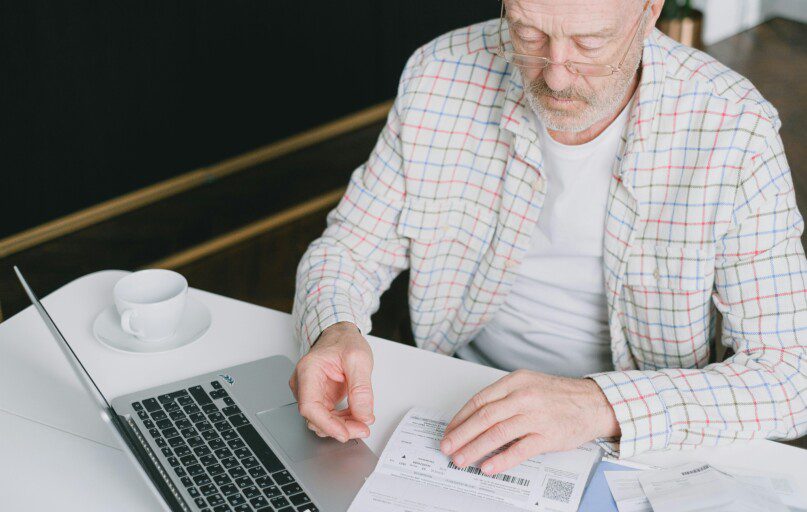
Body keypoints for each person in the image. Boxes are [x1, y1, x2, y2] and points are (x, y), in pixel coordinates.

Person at [289, 0, 807, 475]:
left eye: (590, 43)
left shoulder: (736, 127)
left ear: (650, 12)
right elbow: (349, 248)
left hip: (640, 438)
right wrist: (334, 326)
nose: (555, 75)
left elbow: (791, 378)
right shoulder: (438, 73)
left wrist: (597, 404)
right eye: (529, 33)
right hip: (455, 396)